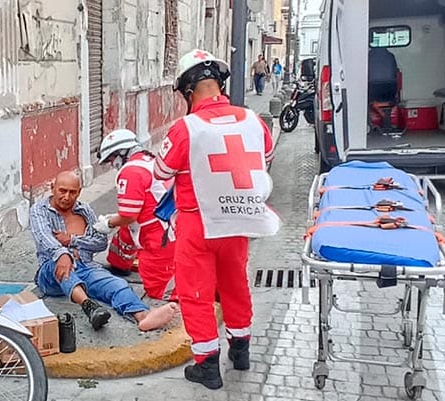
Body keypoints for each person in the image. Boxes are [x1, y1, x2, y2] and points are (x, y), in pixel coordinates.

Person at [154, 49, 279, 390]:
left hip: (198, 222)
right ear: (219, 85)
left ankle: (207, 365)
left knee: (196, 293)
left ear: (187, 92)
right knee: (235, 284)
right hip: (239, 220)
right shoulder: (253, 120)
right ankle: (241, 350)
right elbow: (265, 157)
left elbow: (162, 171)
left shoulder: (186, 127)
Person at [29, 171, 178, 331]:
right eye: (62, 191)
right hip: (50, 273)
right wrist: (63, 254)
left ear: (79, 192)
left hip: (86, 267)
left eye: (72, 192)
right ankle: (89, 306)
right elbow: (44, 238)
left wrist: (72, 240)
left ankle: (142, 316)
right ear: (53, 188)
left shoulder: (84, 210)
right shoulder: (39, 210)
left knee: (117, 284)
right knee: (61, 267)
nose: (67, 197)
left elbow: (100, 242)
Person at [93, 129, 176, 300]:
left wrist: (108, 223)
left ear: (120, 153)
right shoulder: (150, 161)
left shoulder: (130, 172)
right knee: (124, 235)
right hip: (169, 226)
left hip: (158, 237)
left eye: (111, 160)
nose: (112, 165)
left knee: (156, 289)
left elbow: (128, 216)